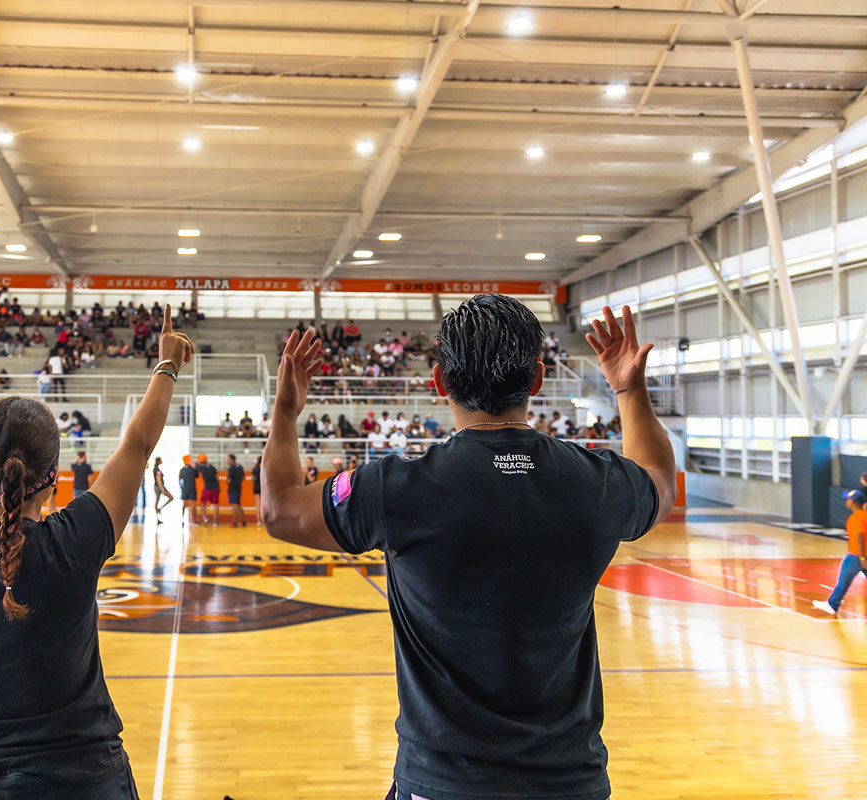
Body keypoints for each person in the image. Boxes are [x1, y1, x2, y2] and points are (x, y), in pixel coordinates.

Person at [259, 298, 676, 800]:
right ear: (537, 379)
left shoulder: (398, 488)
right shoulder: (598, 483)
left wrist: (285, 410)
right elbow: (660, 482)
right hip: (570, 781)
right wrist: (629, 390)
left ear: (439, 382)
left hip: (442, 783)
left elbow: (279, 509)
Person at [0, 304, 192, 800]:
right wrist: (166, 367)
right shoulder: (70, 545)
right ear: (50, 479)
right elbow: (136, 446)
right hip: (83, 780)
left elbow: (133, 447)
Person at [813, 490, 867, 615]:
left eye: (848, 499)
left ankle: (832, 605)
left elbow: (860, 536)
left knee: (843, 582)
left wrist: (862, 558)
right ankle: (832, 604)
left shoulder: (856, 518)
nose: (846, 501)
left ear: (853, 502)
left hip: (856, 556)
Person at [196, 453, 219, 525]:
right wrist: (219, 487)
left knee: (202, 503)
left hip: (207, 489)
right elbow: (217, 478)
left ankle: (205, 519)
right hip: (216, 488)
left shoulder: (201, 468)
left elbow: (195, 467)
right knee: (215, 504)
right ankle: (215, 521)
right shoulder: (212, 467)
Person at [226, 454, 246, 528]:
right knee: (239, 505)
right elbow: (243, 477)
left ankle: (234, 523)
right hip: (239, 489)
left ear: (232, 460)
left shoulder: (231, 469)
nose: (227, 461)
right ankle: (243, 521)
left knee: (234, 506)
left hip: (232, 489)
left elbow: (229, 480)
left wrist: (227, 481)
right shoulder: (240, 467)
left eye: (228, 459)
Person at [179, 455, 199, 525]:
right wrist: (195, 467)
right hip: (192, 488)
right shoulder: (193, 469)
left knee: (184, 504)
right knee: (193, 504)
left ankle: (182, 519)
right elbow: (197, 476)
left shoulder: (181, 470)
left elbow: (180, 481)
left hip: (184, 489)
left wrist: (182, 488)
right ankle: (194, 520)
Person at [152, 456, 173, 522]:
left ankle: (158, 516)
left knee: (157, 502)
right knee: (171, 497)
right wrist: (162, 489)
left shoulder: (155, 469)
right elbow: (159, 480)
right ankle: (159, 509)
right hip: (159, 487)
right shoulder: (157, 470)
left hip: (157, 487)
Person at [252, 456, 262, 527]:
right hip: (263, 488)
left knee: (257, 505)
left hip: (256, 487)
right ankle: (265, 520)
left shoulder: (254, 469)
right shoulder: (265, 468)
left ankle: (258, 521)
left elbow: (253, 479)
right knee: (264, 505)